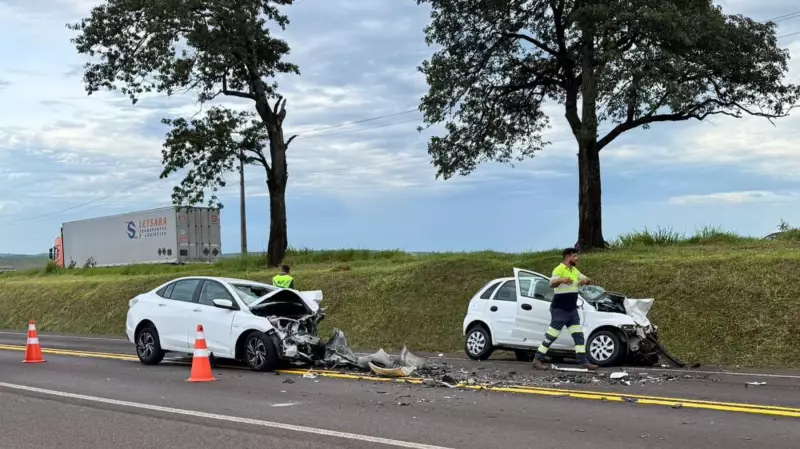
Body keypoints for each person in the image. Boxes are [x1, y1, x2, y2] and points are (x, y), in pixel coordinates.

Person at [532, 247, 598, 371]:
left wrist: (585, 281)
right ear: (568, 257)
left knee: (578, 335)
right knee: (552, 335)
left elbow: (587, 279)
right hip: (560, 309)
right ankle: (537, 359)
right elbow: (551, 283)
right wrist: (562, 280)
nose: (577, 258)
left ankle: (583, 361)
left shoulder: (575, 270)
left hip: (572, 310)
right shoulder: (559, 269)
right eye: (575, 256)